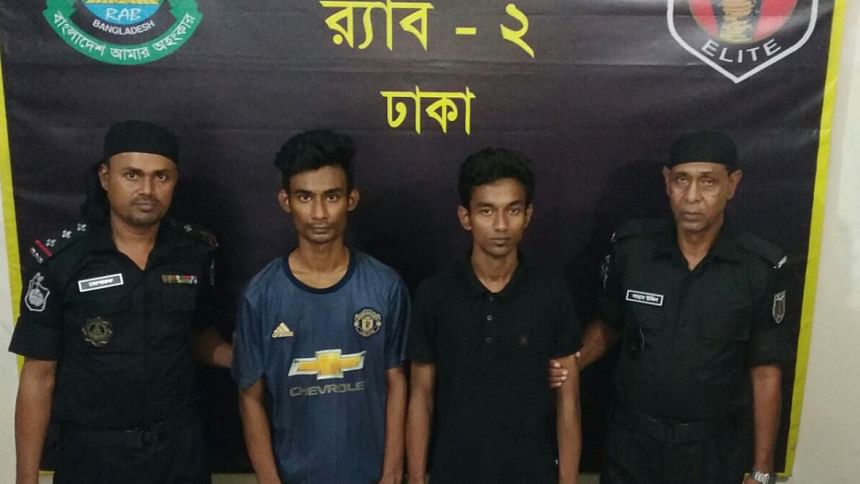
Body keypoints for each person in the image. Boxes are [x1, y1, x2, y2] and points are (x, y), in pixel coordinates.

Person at [549, 131, 788, 484]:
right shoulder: (633, 251)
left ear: (732, 184)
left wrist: (762, 470)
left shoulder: (758, 267)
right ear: (666, 182)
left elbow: (765, 372)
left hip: (711, 450)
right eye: (681, 180)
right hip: (632, 444)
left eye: (708, 182)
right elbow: (609, 326)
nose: (692, 196)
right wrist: (568, 364)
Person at [10, 120, 232, 484]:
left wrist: (241, 359)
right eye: (132, 175)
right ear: (105, 177)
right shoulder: (62, 260)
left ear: (175, 180)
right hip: (93, 456)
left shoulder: (195, 251)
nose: (147, 190)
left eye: (161, 177)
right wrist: (25, 476)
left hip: (178, 453)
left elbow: (197, 337)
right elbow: (38, 376)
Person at [232, 129, 409, 483]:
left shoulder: (385, 286)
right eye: (305, 197)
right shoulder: (260, 295)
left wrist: (391, 472)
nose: (319, 213)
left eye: (331, 196)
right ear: (285, 201)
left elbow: (397, 383)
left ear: (351, 199)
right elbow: (250, 397)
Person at [406, 148, 582, 484]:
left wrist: (569, 480)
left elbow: (568, 402)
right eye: (486, 211)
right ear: (465, 217)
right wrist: (415, 478)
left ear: (528, 215)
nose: (501, 225)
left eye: (512, 210)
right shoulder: (435, 295)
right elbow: (420, 397)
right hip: (453, 474)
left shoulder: (552, 294)